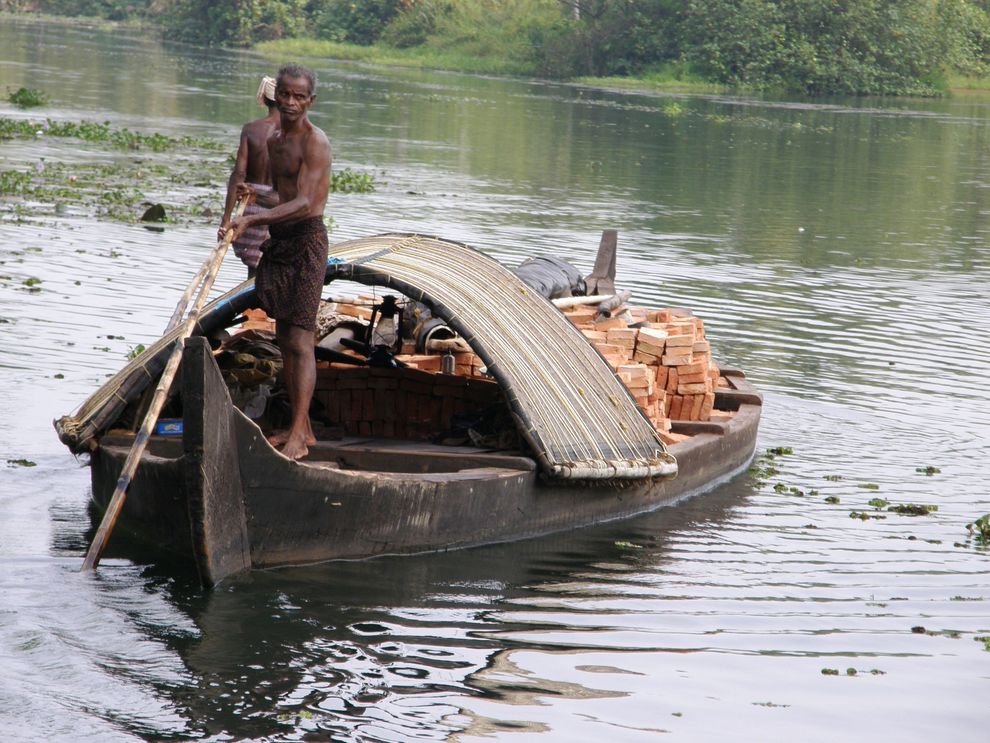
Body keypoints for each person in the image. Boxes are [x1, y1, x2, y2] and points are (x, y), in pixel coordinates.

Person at [228, 63, 332, 461]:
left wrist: (253, 218)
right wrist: (249, 198)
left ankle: (298, 436)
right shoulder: (274, 139)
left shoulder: (315, 142)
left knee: (301, 341)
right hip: (282, 240)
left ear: (310, 101)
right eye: (284, 94)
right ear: (276, 95)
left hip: (307, 243)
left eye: (298, 96)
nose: (290, 102)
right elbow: (280, 195)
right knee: (285, 339)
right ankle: (300, 428)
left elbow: (306, 202)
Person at [218, 75, 281, 277]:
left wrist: (226, 218)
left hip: (251, 204)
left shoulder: (251, 129)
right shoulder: (296, 133)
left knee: (254, 269)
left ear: (264, 98)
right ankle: (258, 306)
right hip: (280, 204)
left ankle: (253, 305)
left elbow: (239, 174)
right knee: (272, 265)